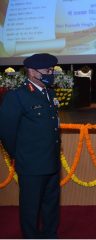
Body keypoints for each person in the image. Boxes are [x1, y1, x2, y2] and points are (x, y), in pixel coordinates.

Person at [0, 53, 61, 238]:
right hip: (31, 163)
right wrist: (19, 155)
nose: (51, 74)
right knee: (30, 206)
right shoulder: (17, 96)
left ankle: (50, 235)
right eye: (47, 70)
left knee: (51, 204)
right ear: (32, 71)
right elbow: (6, 131)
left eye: (52, 70)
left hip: (51, 160)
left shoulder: (49, 93)